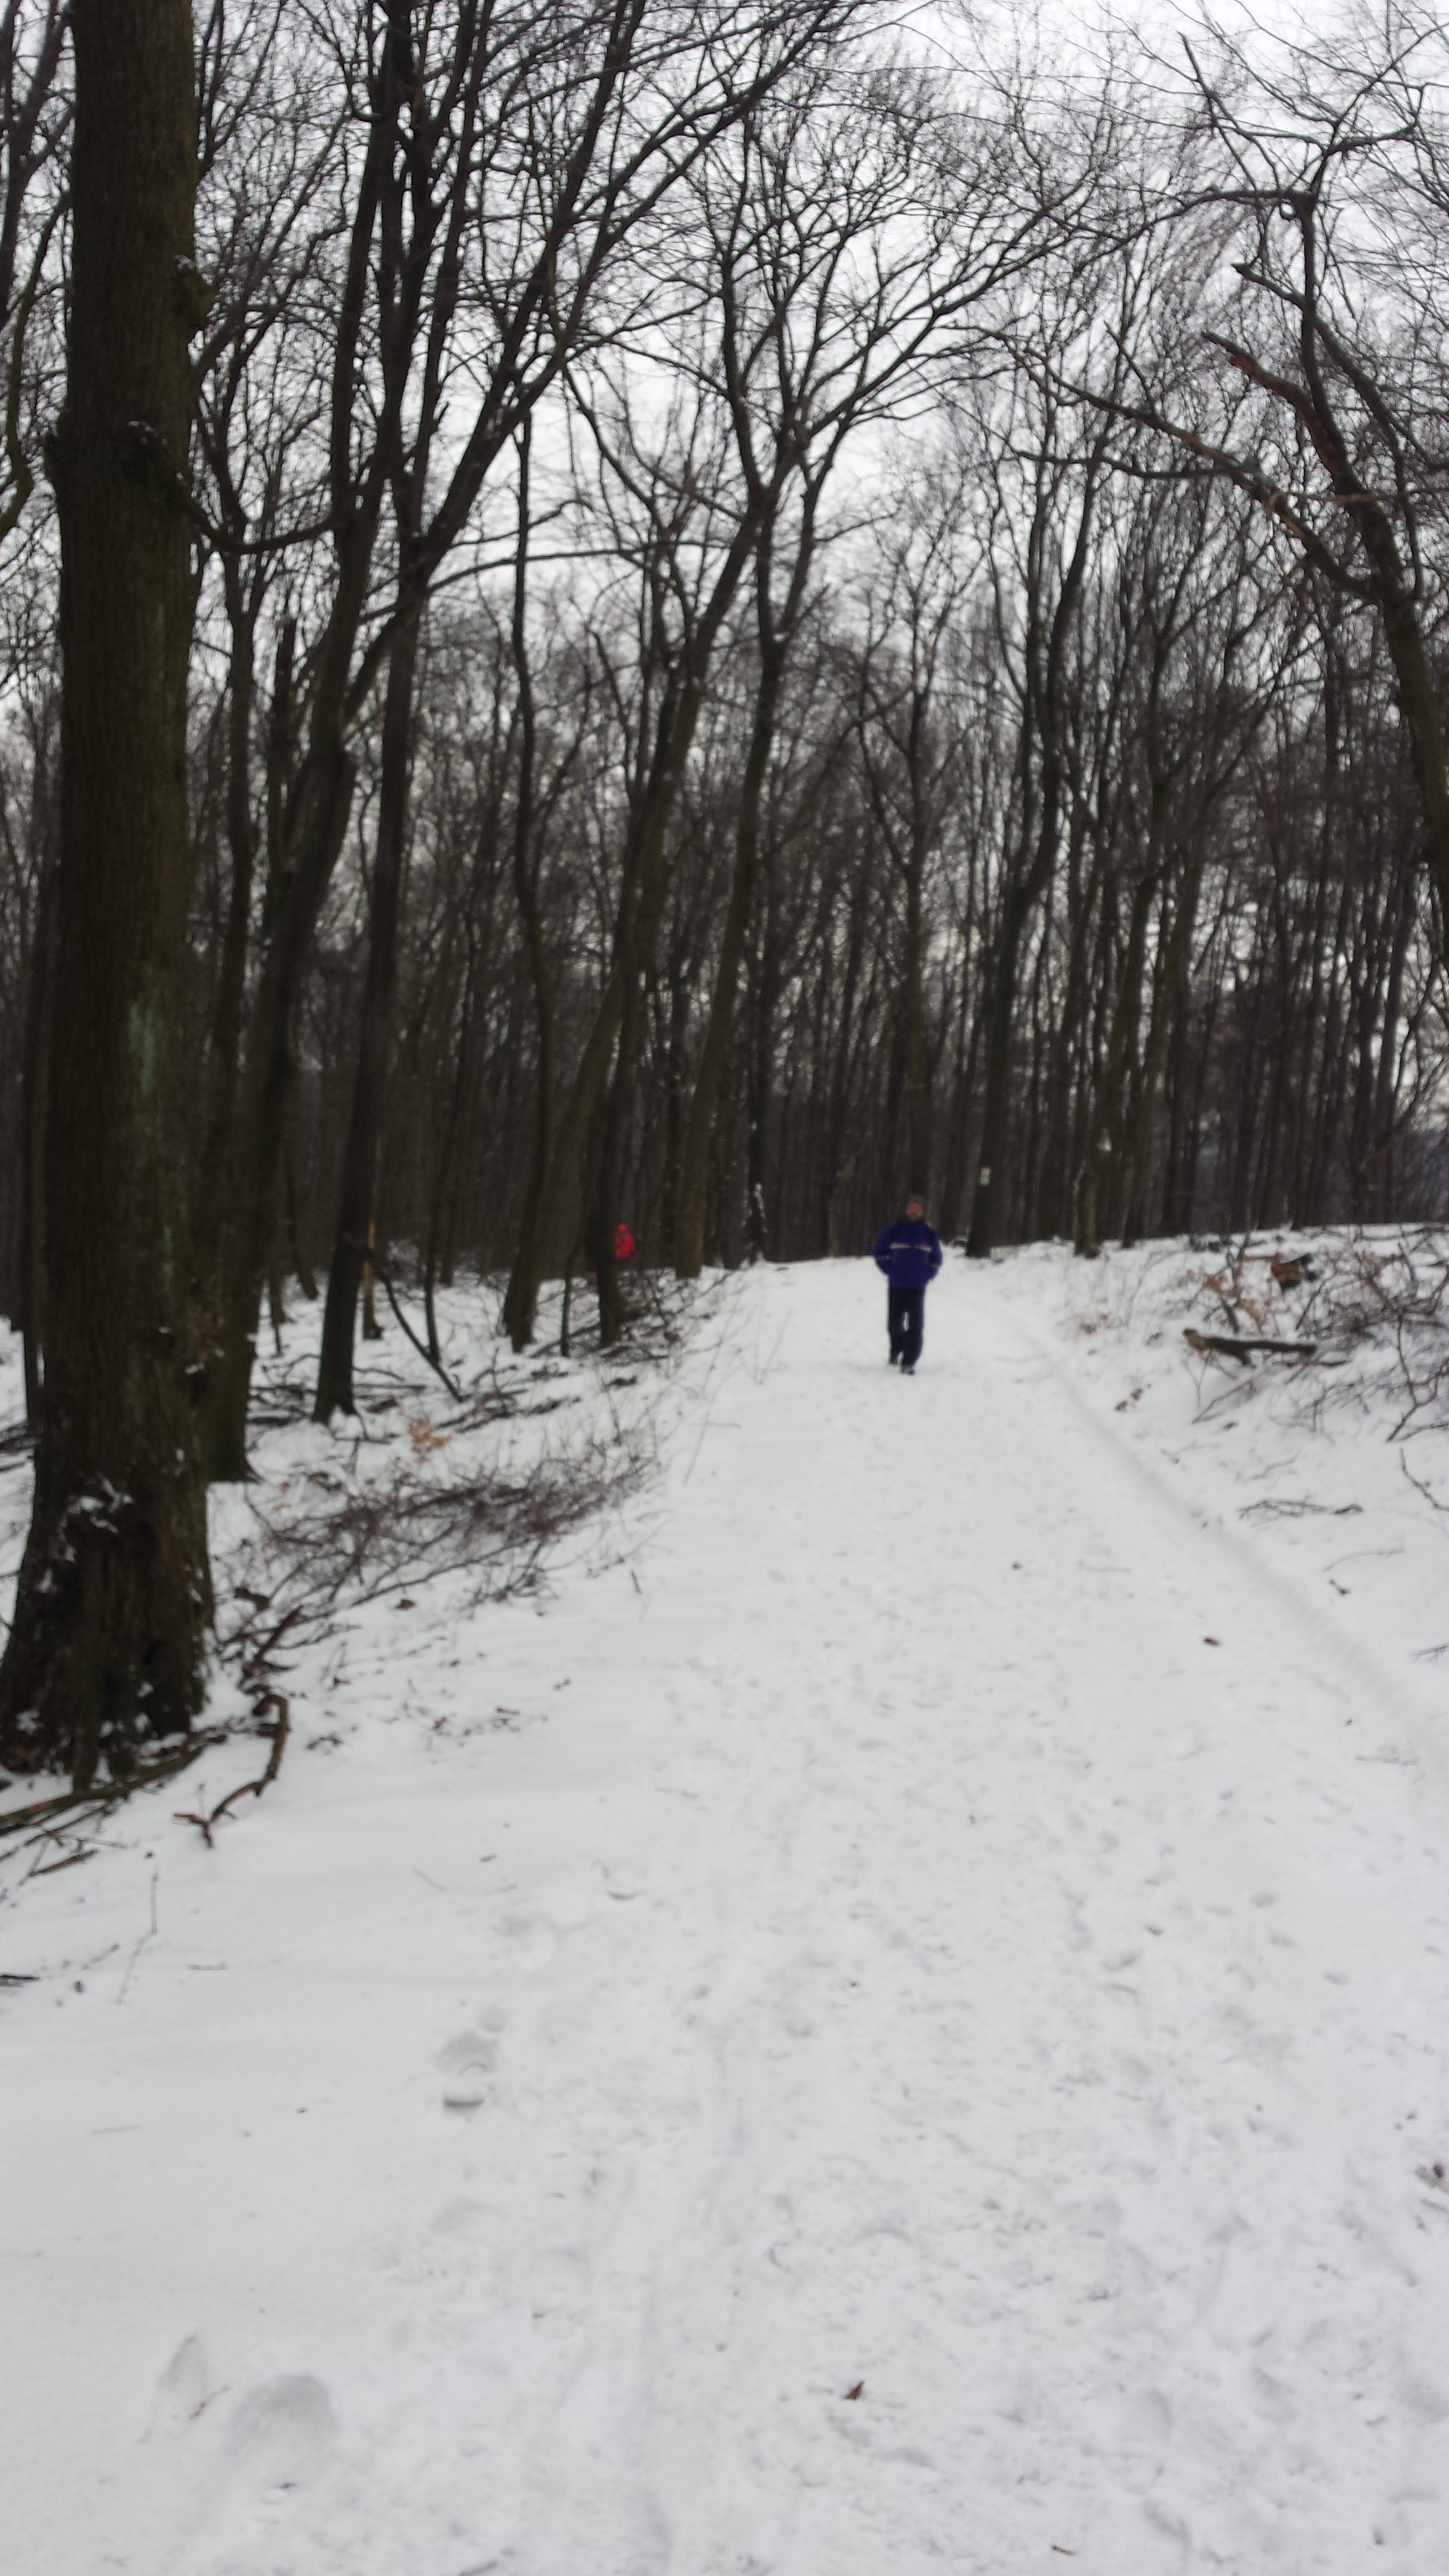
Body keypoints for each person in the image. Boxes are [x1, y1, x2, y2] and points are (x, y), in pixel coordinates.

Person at [872, 1193, 943, 1375]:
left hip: (917, 1288)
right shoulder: (894, 1230)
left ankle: (909, 1362)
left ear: (923, 1212)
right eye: (911, 1208)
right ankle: (897, 1348)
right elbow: (879, 1253)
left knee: (916, 1327)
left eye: (918, 1209)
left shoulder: (929, 1234)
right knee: (894, 1325)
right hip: (896, 1285)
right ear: (906, 1210)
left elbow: (936, 1259)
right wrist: (890, 1270)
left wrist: (928, 1275)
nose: (914, 1212)